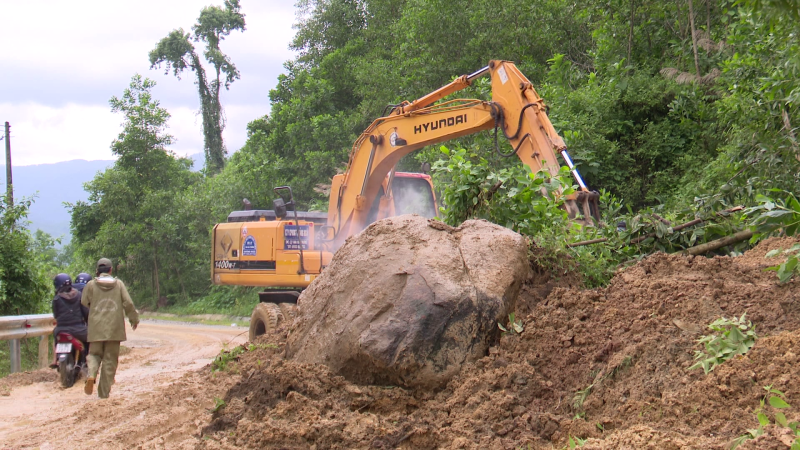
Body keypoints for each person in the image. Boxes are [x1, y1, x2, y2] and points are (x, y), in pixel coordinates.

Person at [81, 258, 139, 398]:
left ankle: (91, 374)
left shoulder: (90, 285)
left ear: (97, 271)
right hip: (114, 329)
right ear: (111, 270)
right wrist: (134, 319)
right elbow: (128, 303)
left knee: (94, 355)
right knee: (110, 361)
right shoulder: (118, 284)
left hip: (96, 328)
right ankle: (103, 394)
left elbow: (84, 301)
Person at [50, 273, 89, 368]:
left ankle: (54, 360)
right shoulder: (79, 295)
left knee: (55, 337)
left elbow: (56, 314)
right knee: (90, 339)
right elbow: (86, 312)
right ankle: (87, 360)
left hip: (61, 330)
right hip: (79, 329)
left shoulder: (56, 299)